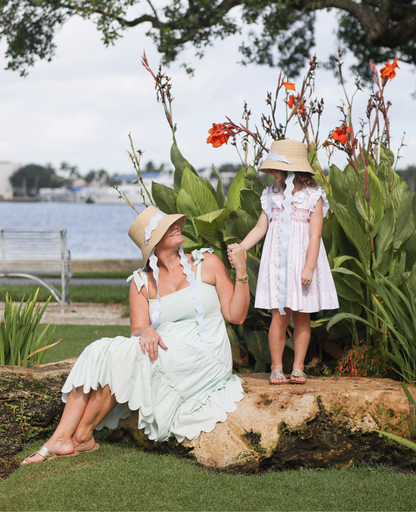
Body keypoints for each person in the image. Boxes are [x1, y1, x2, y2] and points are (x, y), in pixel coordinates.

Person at [21, 206, 250, 465]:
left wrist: (241, 271)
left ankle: (67, 438)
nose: (176, 226)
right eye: (166, 227)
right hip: (164, 349)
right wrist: (147, 329)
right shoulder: (141, 282)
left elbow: (236, 315)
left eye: (173, 223)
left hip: (206, 354)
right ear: (154, 243)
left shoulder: (207, 264)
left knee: (124, 359)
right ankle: (76, 438)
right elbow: (138, 330)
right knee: (101, 351)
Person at [228, 139, 338, 385]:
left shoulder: (313, 196)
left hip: (301, 263)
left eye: (277, 169)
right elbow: (260, 227)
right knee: (279, 315)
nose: (273, 174)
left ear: (293, 170)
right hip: (278, 263)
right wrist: (242, 247)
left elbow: (315, 234)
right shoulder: (272, 195)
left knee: (301, 316)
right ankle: (276, 367)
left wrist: (309, 266)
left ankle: (298, 366)